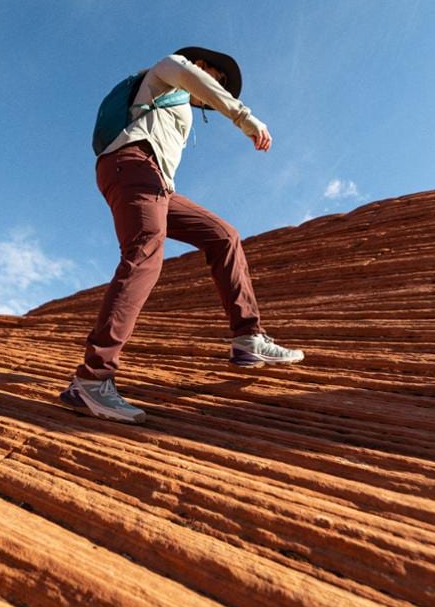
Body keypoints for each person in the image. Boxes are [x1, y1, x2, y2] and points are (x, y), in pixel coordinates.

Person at [60, 46, 304, 424]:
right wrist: (245, 118)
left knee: (224, 236)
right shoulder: (167, 70)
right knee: (145, 254)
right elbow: (187, 74)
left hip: (154, 181)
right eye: (214, 77)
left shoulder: (178, 108)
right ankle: (92, 380)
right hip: (131, 165)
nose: (214, 84)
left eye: (219, 84)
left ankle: (247, 340)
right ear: (200, 65)